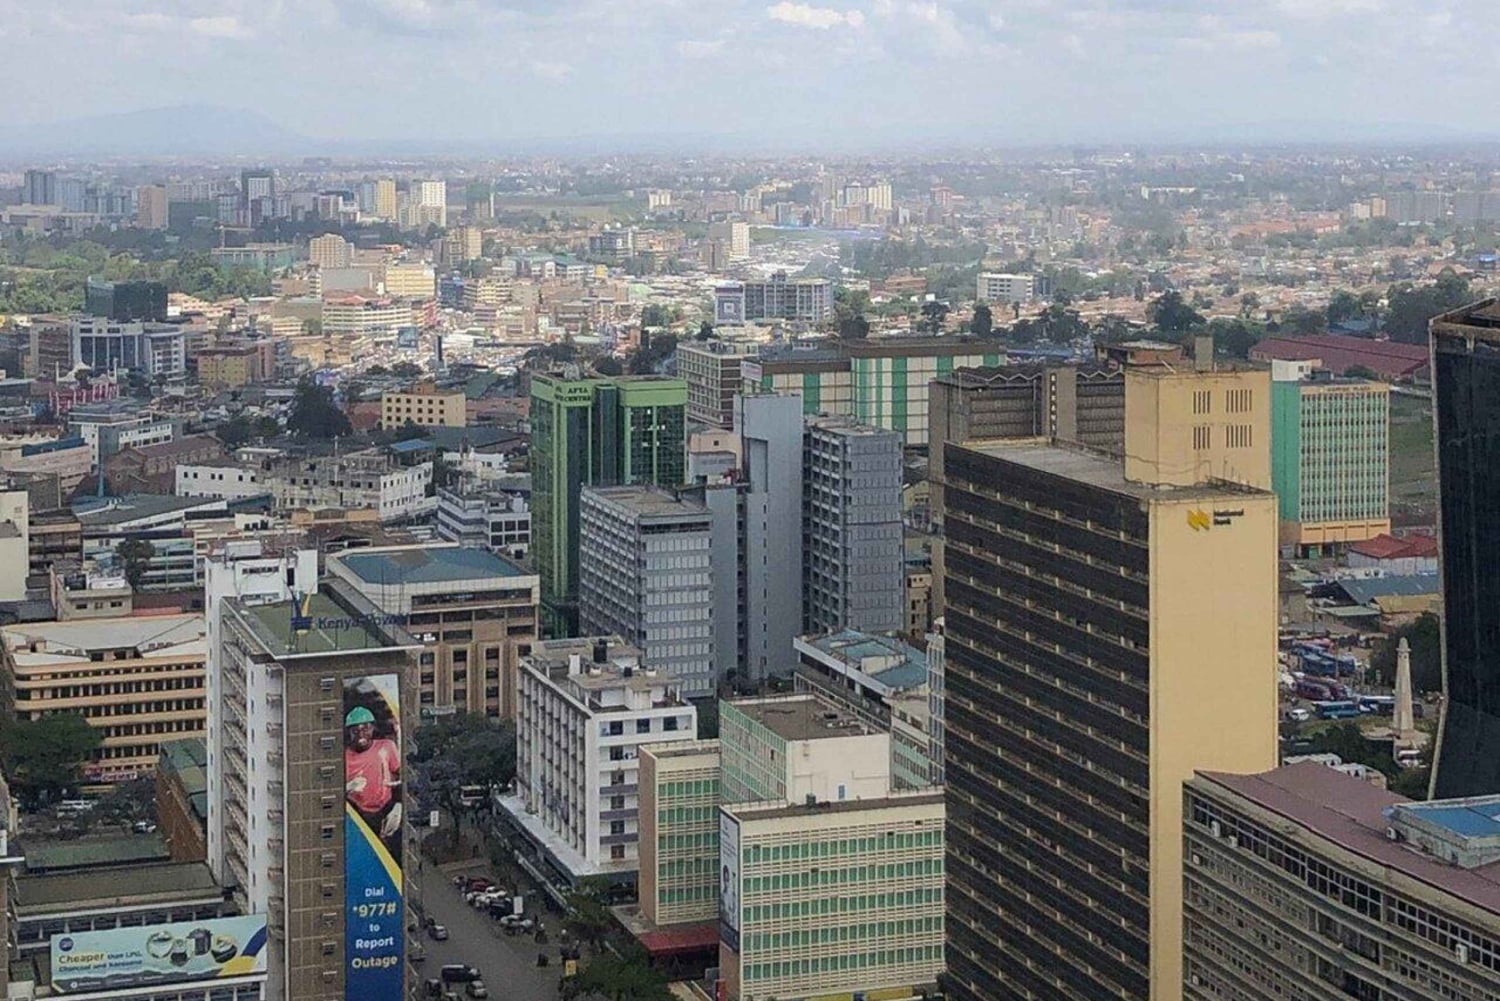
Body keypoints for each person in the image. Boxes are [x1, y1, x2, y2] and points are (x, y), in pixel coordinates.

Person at [345, 705, 402, 858]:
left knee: (395, 853)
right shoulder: (344, 758)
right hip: (361, 815)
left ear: (373, 729)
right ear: (349, 732)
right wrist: (347, 788)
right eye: (355, 730)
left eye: (365, 728)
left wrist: (399, 805)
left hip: (387, 807)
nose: (361, 734)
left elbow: (401, 774)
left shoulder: (386, 747)